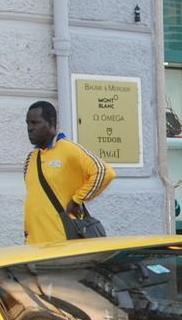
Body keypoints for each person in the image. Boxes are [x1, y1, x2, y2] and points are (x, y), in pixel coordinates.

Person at [23, 100, 114, 244]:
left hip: (62, 242)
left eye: (35, 123)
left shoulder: (67, 148)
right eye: (28, 123)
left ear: (51, 123)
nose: (30, 128)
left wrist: (77, 199)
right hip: (34, 244)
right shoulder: (31, 158)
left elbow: (104, 172)